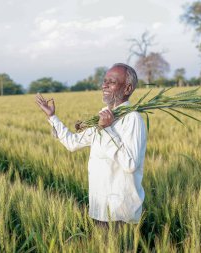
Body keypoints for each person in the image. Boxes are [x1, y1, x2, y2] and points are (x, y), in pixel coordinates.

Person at [35, 63, 147, 224]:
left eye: (112, 82)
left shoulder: (132, 119)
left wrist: (107, 129)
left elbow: (130, 164)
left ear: (128, 88)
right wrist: (52, 117)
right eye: (104, 81)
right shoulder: (102, 117)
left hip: (120, 213)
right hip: (98, 209)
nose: (104, 85)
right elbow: (72, 143)